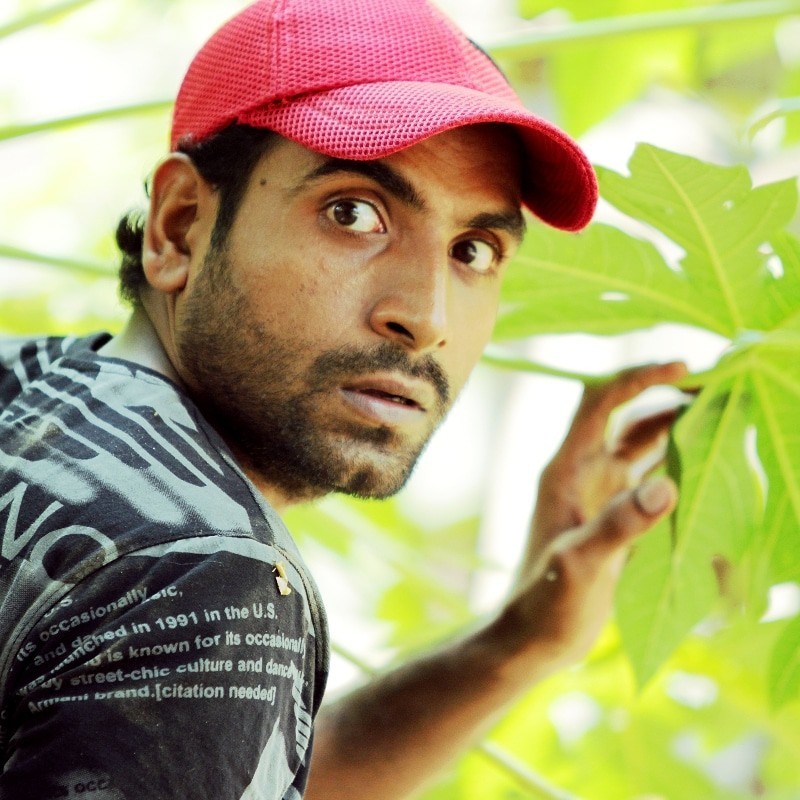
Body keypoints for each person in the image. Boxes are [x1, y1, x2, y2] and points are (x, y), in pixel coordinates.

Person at [0, 0, 687, 797]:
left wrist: (518, 643)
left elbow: (219, 761)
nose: (426, 317)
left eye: (473, 250)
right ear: (179, 227)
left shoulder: (27, 383)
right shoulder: (209, 576)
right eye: (353, 213)